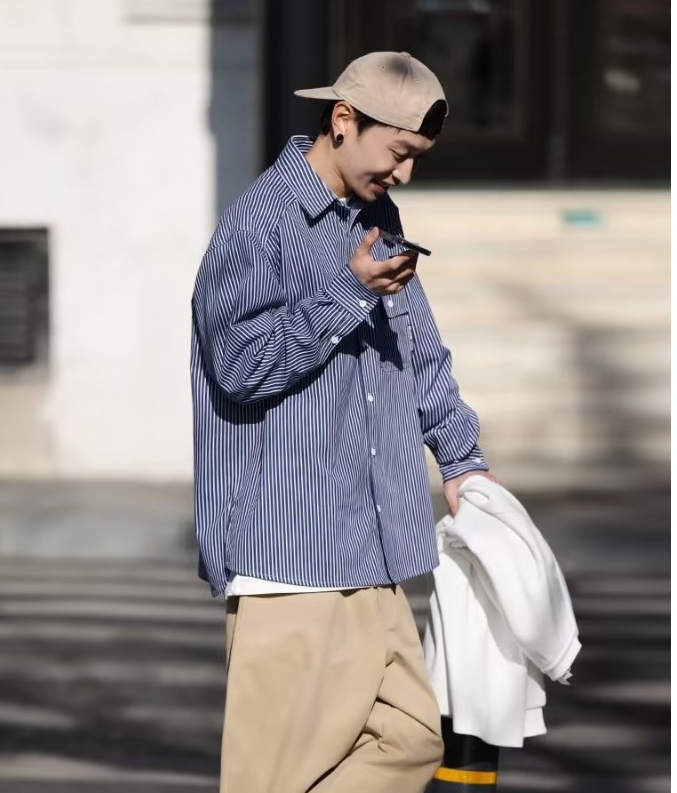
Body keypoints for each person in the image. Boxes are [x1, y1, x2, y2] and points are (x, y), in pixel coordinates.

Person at [190, 51, 495, 793]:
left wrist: (461, 460)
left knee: (413, 740)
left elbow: (416, 348)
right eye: (399, 152)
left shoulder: (376, 216)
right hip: (290, 556)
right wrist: (348, 292)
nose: (405, 174)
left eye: (417, 159)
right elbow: (239, 368)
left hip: (375, 545)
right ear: (342, 120)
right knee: (272, 780)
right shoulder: (258, 223)